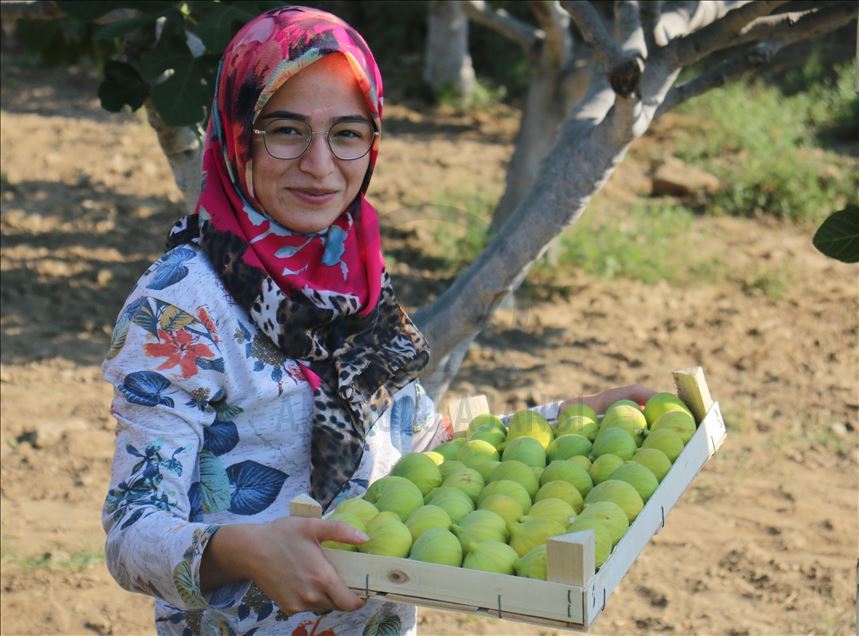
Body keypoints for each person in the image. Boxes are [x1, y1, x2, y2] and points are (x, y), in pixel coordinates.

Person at [101, 6, 654, 635]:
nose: (320, 164)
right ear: (237, 134)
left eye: (346, 133)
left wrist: (571, 422)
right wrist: (249, 548)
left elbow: (421, 448)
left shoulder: (349, 275)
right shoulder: (181, 304)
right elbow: (132, 531)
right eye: (285, 131)